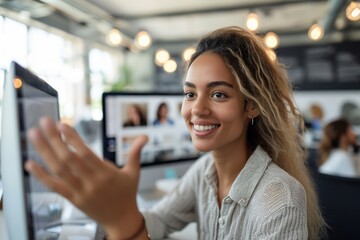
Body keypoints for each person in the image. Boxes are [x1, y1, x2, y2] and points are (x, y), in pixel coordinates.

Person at [25, 26, 325, 240]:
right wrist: (111, 211)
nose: (197, 110)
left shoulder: (279, 200)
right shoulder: (206, 171)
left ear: (253, 106)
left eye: (218, 95)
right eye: (190, 94)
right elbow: (159, 220)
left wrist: (125, 223)